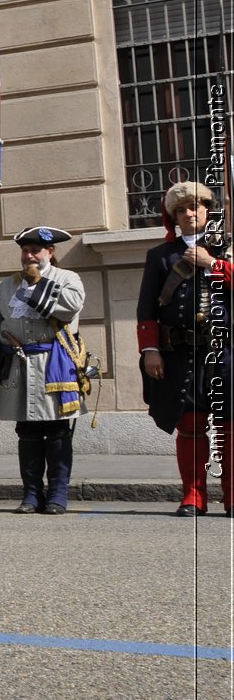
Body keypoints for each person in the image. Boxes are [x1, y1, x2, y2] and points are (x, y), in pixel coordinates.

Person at [0, 226, 90, 515]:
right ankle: (31, 494)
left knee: (58, 432)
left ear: (50, 252)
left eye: (36, 250)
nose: (30, 256)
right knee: (27, 433)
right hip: (18, 366)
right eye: (25, 250)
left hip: (54, 364)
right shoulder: (9, 285)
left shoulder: (67, 278)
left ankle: (58, 495)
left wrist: (38, 284)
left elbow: (70, 308)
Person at [137, 182, 233, 516]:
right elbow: (147, 309)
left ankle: (232, 496)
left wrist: (212, 264)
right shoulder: (161, 256)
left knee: (228, 426)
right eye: (181, 209)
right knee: (190, 426)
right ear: (173, 217)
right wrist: (150, 349)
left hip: (224, 354)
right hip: (181, 354)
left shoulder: (226, 250)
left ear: (208, 211)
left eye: (195, 207)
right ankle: (194, 495)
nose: (189, 214)